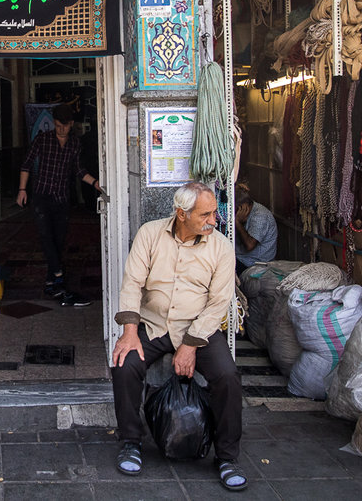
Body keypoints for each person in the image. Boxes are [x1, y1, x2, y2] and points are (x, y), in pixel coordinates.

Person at [110, 181, 246, 491]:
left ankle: (226, 456)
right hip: (155, 324)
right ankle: (131, 441)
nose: (214, 220)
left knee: (227, 376)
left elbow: (218, 304)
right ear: (181, 213)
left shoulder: (221, 247)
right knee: (124, 364)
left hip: (199, 328)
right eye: (206, 215)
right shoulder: (150, 233)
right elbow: (132, 283)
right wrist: (130, 331)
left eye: (214, 213)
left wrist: (190, 344)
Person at [16, 103, 103, 307]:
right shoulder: (43, 139)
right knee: (46, 237)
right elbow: (27, 164)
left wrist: (96, 183)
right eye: (57, 125)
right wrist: (22, 190)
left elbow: (79, 170)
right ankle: (59, 276)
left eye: (64, 126)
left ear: (71, 124)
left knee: (58, 241)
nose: (61, 129)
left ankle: (50, 283)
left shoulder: (74, 144)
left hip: (62, 198)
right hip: (41, 197)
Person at [234, 183, 278, 274]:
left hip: (254, 263)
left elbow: (249, 245)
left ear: (242, 207)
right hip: (242, 257)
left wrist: (237, 223)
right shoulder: (249, 210)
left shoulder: (260, 216)